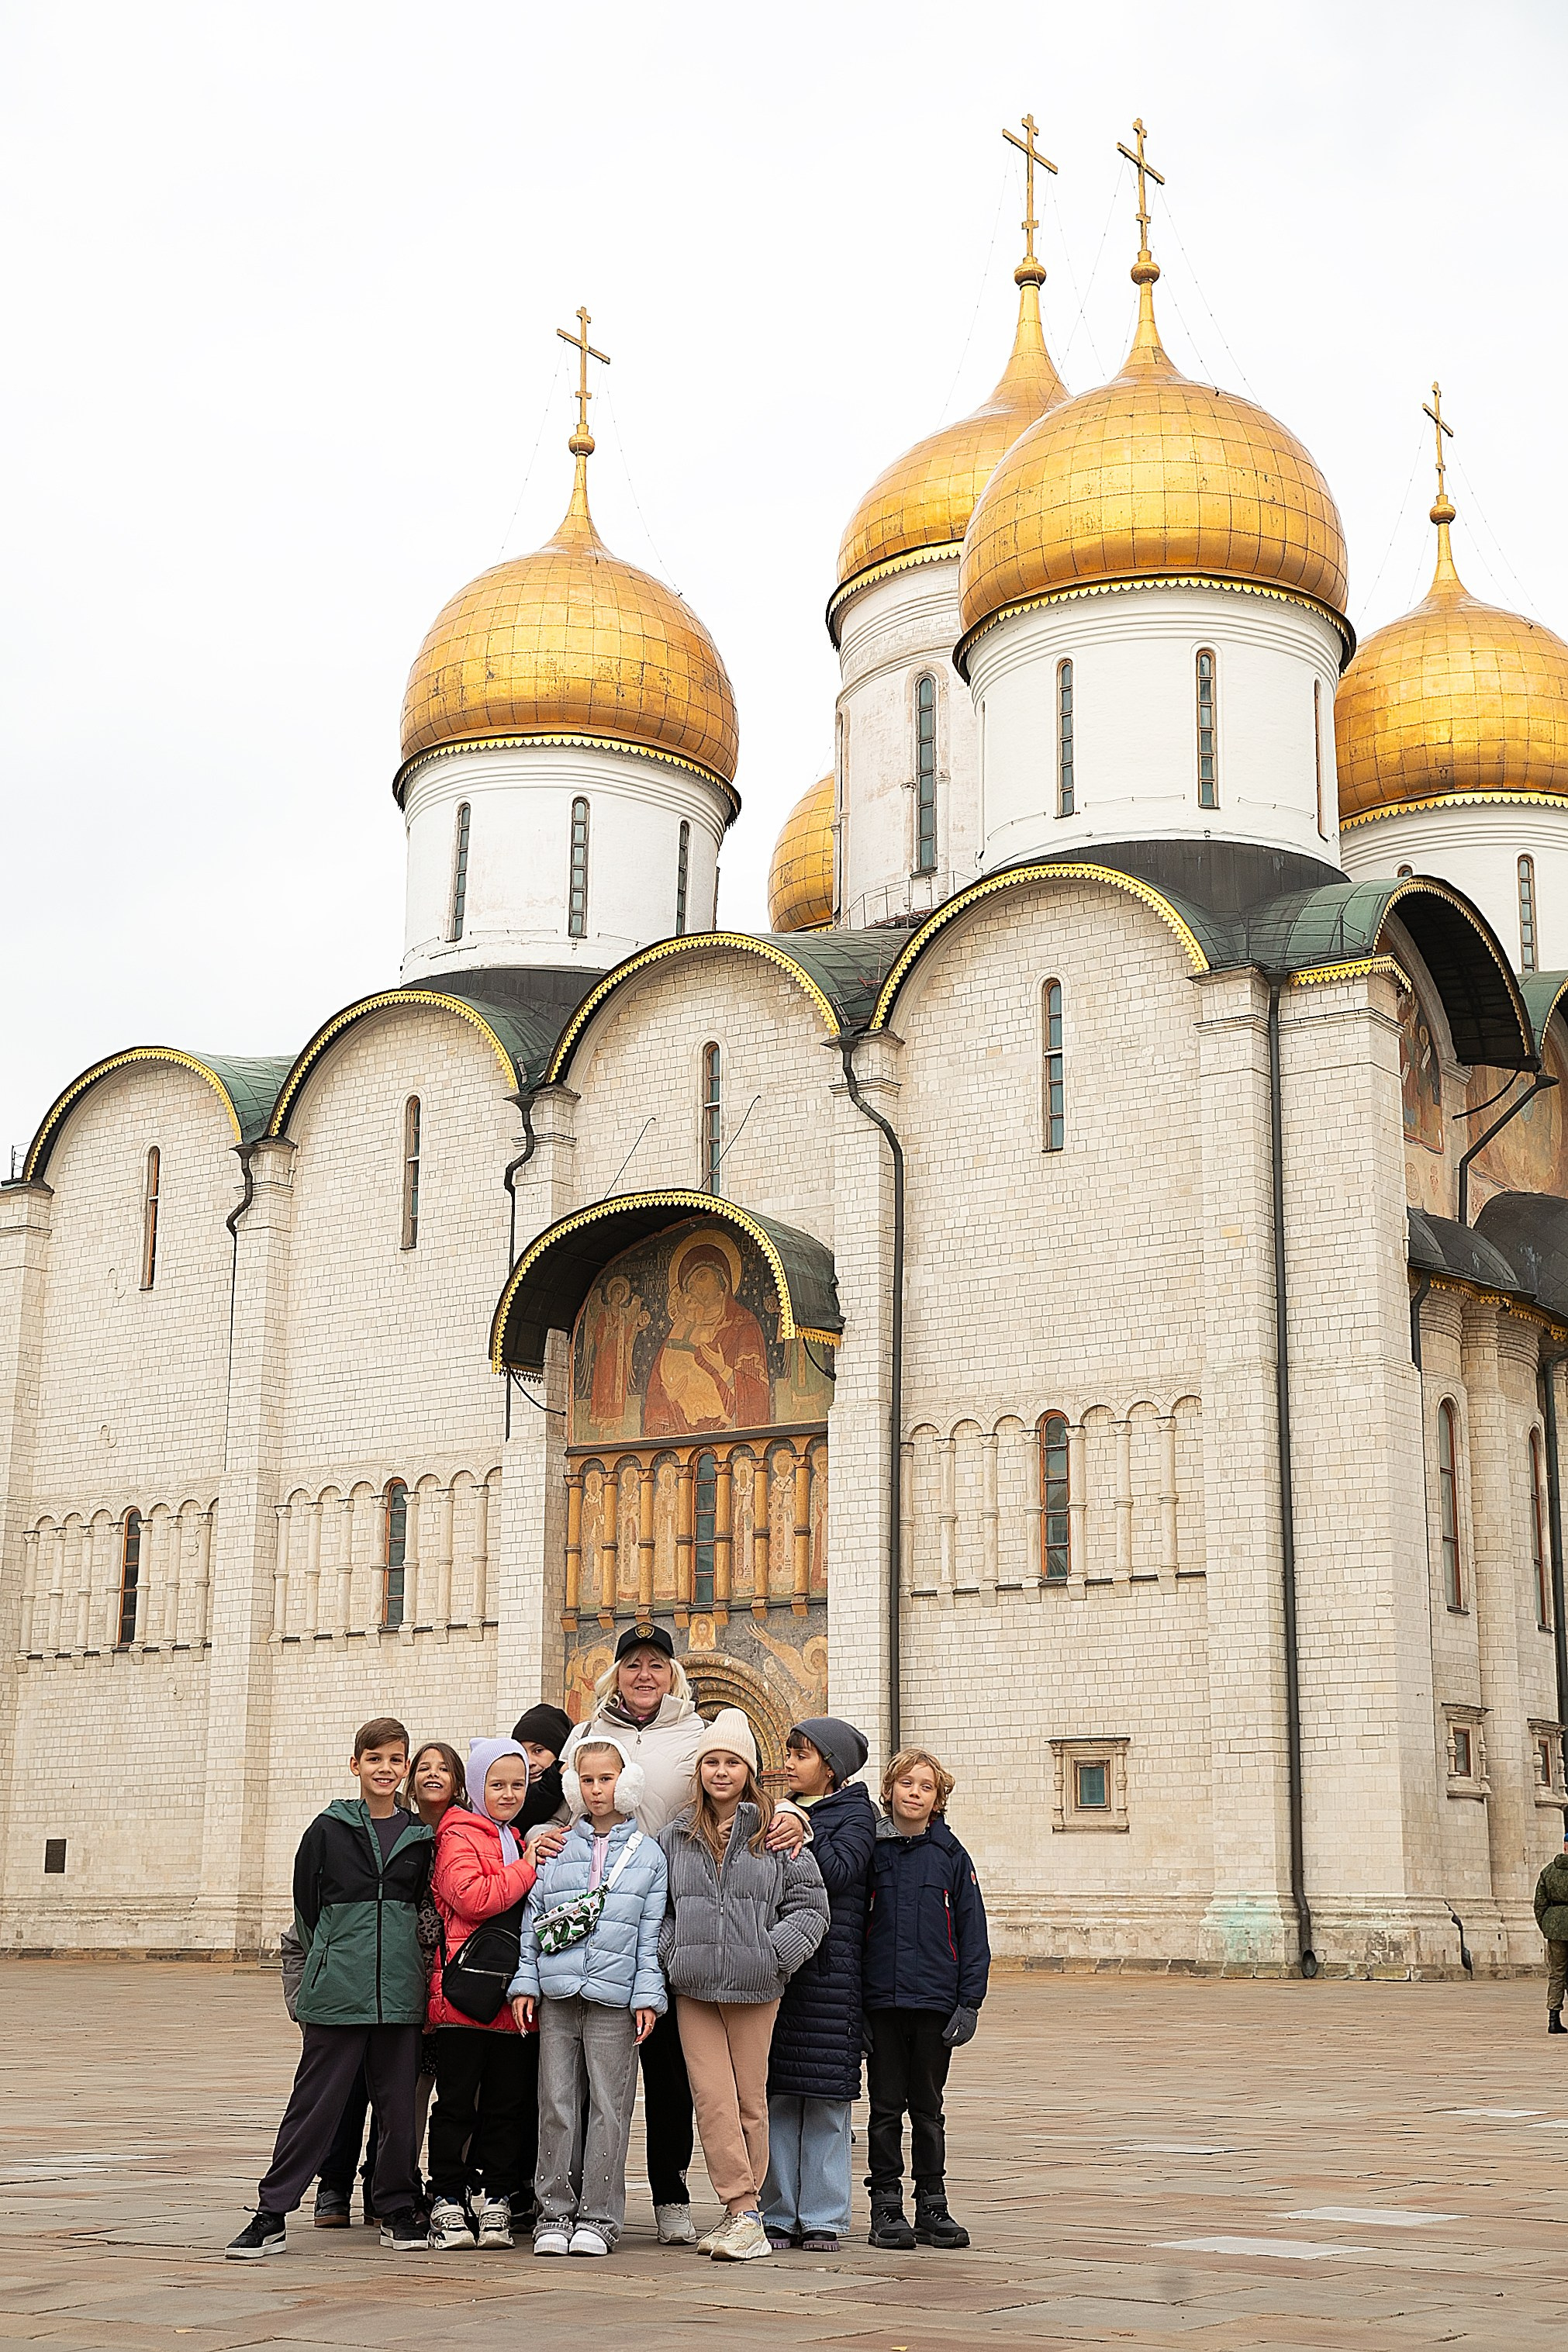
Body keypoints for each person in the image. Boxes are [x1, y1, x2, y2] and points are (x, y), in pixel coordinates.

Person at [543, 1622, 808, 2247]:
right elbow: (557, 1812)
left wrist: (794, 1817)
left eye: (656, 1664)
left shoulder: (695, 1733)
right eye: (632, 1664)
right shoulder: (587, 1735)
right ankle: (568, 2201)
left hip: (677, 1917)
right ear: (616, 1673)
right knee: (583, 2075)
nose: (644, 1674)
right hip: (602, 1927)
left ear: (672, 1674)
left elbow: (746, 1794)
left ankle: (671, 2194)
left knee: (673, 2078)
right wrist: (539, 1836)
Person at [227, 1717, 433, 2260]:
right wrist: (332, 1962)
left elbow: (422, 1912)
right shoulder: (326, 1829)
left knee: (398, 2110)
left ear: (404, 1767)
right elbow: (308, 1912)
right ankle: (272, 2212)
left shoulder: (420, 1836)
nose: (384, 1768)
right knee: (313, 2106)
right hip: (338, 1994)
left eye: (394, 1759)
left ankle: (394, 2207)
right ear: (355, 1765)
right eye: (374, 1758)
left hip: (400, 1996)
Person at [658, 1709, 828, 2263]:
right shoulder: (675, 1835)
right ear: (700, 1769)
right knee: (711, 2100)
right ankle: (742, 2209)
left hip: (757, 1987)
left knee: (750, 2101)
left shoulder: (775, 1831)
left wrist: (773, 1955)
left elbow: (811, 1907)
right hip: (695, 1988)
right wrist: (672, 1953)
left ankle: (745, 2213)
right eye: (712, 1760)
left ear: (749, 1770)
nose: (722, 1771)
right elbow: (655, 1910)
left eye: (732, 1761)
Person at [509, 1732, 668, 2256]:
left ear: (627, 1783)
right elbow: (534, 1919)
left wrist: (648, 1994)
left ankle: (599, 2217)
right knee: (555, 2102)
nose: (597, 1789)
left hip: (615, 1999)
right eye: (588, 1779)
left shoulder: (649, 1855)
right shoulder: (555, 1844)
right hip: (557, 1994)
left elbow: (651, 1932)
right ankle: (553, 2212)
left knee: (609, 2107)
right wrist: (526, 1980)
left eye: (607, 1778)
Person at [862, 1747, 990, 2253]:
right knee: (886, 2107)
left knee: (929, 2109)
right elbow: (853, 1928)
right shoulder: (871, 1851)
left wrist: (970, 2001)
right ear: (889, 1789)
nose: (915, 1792)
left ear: (938, 1799)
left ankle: (932, 2204)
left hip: (936, 2002)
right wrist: (858, 2007)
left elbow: (972, 1931)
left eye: (926, 1786)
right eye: (907, 1783)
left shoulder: (951, 1855)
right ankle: (886, 2206)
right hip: (884, 2002)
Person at [762, 1718, 876, 2252]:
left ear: (830, 1766)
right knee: (780, 2096)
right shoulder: (781, 1812)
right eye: (789, 1752)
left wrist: (805, 1832)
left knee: (829, 2102)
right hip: (784, 1973)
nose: (790, 1762)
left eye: (801, 1754)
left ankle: (826, 2214)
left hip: (832, 1979)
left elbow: (841, 1871)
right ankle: (779, 2211)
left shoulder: (855, 1814)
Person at [425, 1739, 537, 2251]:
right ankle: (447, 2196)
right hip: (465, 1999)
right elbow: (472, 1897)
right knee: (455, 2105)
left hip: (511, 1998)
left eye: (518, 1783)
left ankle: (495, 2196)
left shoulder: (516, 1837)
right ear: (475, 1787)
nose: (508, 1792)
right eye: (497, 1784)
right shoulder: (458, 1837)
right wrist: (527, 1867)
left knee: (506, 2105)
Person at [506, 1702, 573, 2226]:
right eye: (523, 1748)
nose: (530, 1762)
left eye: (540, 1750)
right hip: (509, 1961)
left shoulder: (570, 1805)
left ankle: (549, 2187)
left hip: (560, 1963)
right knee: (511, 2086)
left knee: (555, 2087)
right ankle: (511, 2186)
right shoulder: (503, 1803)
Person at [1533, 1827, 1568, 2034]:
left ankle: (1553, 2018)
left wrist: (1547, 1925)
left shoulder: (1548, 1871)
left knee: (1557, 1973)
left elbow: (1539, 1904)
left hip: (1555, 1928)